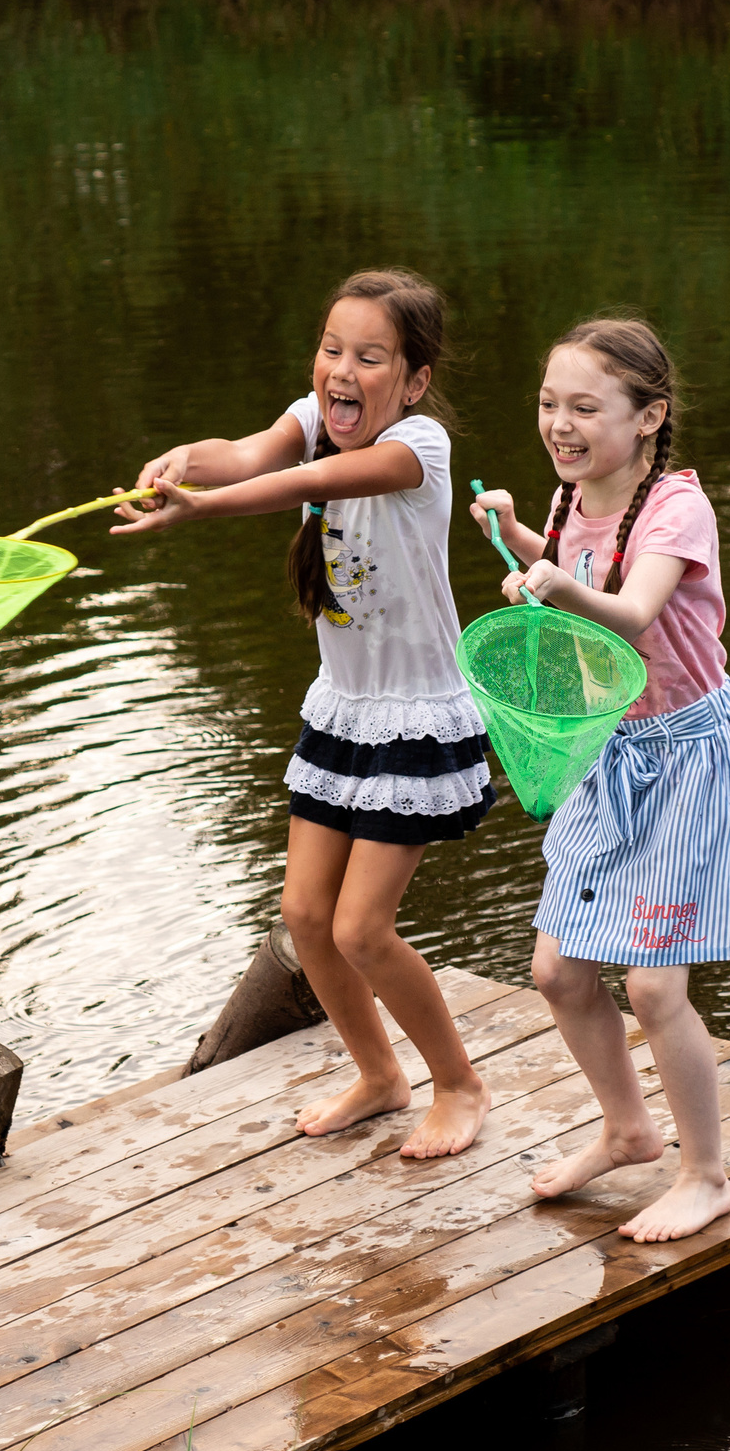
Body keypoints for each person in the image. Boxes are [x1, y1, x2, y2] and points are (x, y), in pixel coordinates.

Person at [114, 269, 495, 1158]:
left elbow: (299, 482)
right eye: (332, 350)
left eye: (370, 357)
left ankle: (461, 1085)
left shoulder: (421, 449)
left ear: (413, 379)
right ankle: (379, 1074)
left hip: (416, 717)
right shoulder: (315, 415)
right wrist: (180, 465)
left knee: (363, 927)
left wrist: (201, 510)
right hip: (346, 713)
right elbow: (248, 455)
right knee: (306, 918)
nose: (342, 371)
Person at [467, 316, 730, 1241]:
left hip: (685, 757)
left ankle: (706, 1173)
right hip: (609, 752)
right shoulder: (569, 502)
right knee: (558, 970)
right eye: (550, 404)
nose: (560, 423)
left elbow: (633, 612)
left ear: (648, 417)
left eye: (585, 407)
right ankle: (628, 1128)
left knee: (652, 986)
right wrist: (520, 536)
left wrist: (554, 584)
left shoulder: (678, 508)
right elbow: (568, 574)